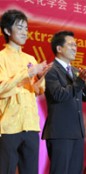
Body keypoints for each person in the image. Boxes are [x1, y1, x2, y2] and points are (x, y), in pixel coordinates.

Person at [41, 30, 86, 174]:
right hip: (60, 132)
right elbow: (59, 95)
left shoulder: (74, 71)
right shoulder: (51, 70)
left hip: (76, 132)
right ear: (59, 49)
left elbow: (83, 95)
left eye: (76, 44)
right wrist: (79, 82)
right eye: (71, 44)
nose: (75, 48)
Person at [0, 9, 51, 174]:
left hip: (30, 126)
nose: (24, 32)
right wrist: (27, 73)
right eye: (20, 27)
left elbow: (36, 90)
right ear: (7, 31)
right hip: (8, 127)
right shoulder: (1, 58)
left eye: (26, 28)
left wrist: (42, 76)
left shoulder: (30, 59)